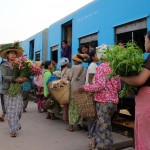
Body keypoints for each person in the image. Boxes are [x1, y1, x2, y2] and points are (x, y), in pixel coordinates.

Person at [79, 44, 121, 150]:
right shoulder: (114, 67)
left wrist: (85, 87)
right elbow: (119, 86)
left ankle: (103, 147)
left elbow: (100, 86)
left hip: (103, 102)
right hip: (113, 102)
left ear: (101, 55)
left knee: (103, 126)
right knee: (105, 124)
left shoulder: (101, 67)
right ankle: (106, 145)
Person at [120, 31, 150, 150]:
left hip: (147, 100)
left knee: (145, 134)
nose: (145, 43)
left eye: (145, 40)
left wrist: (121, 76)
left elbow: (139, 80)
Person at [0, 42, 28, 137]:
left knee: (19, 110)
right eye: (10, 53)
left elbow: (24, 74)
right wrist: (15, 79)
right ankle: (13, 129)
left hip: (18, 90)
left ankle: (16, 123)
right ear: (7, 55)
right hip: (7, 90)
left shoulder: (19, 64)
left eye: (14, 53)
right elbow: (5, 76)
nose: (13, 55)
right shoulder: (3, 65)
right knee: (11, 111)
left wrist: (25, 78)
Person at [66, 54, 87, 132]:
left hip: (74, 91)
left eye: (74, 60)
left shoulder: (74, 68)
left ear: (76, 61)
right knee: (79, 108)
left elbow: (69, 78)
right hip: (81, 91)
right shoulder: (85, 69)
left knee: (72, 108)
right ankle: (78, 125)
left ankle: (71, 126)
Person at [85, 50, 99, 137]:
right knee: (91, 112)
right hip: (91, 92)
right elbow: (90, 80)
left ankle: (91, 131)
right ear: (93, 57)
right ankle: (91, 132)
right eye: (97, 54)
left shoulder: (94, 65)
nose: (98, 56)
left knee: (92, 112)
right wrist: (93, 91)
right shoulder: (93, 66)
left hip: (92, 91)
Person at [58, 57, 71, 123]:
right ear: (66, 64)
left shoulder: (62, 70)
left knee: (64, 104)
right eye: (68, 62)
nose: (70, 63)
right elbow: (69, 78)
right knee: (67, 104)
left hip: (62, 87)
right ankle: (66, 119)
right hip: (67, 87)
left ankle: (64, 118)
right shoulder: (68, 70)